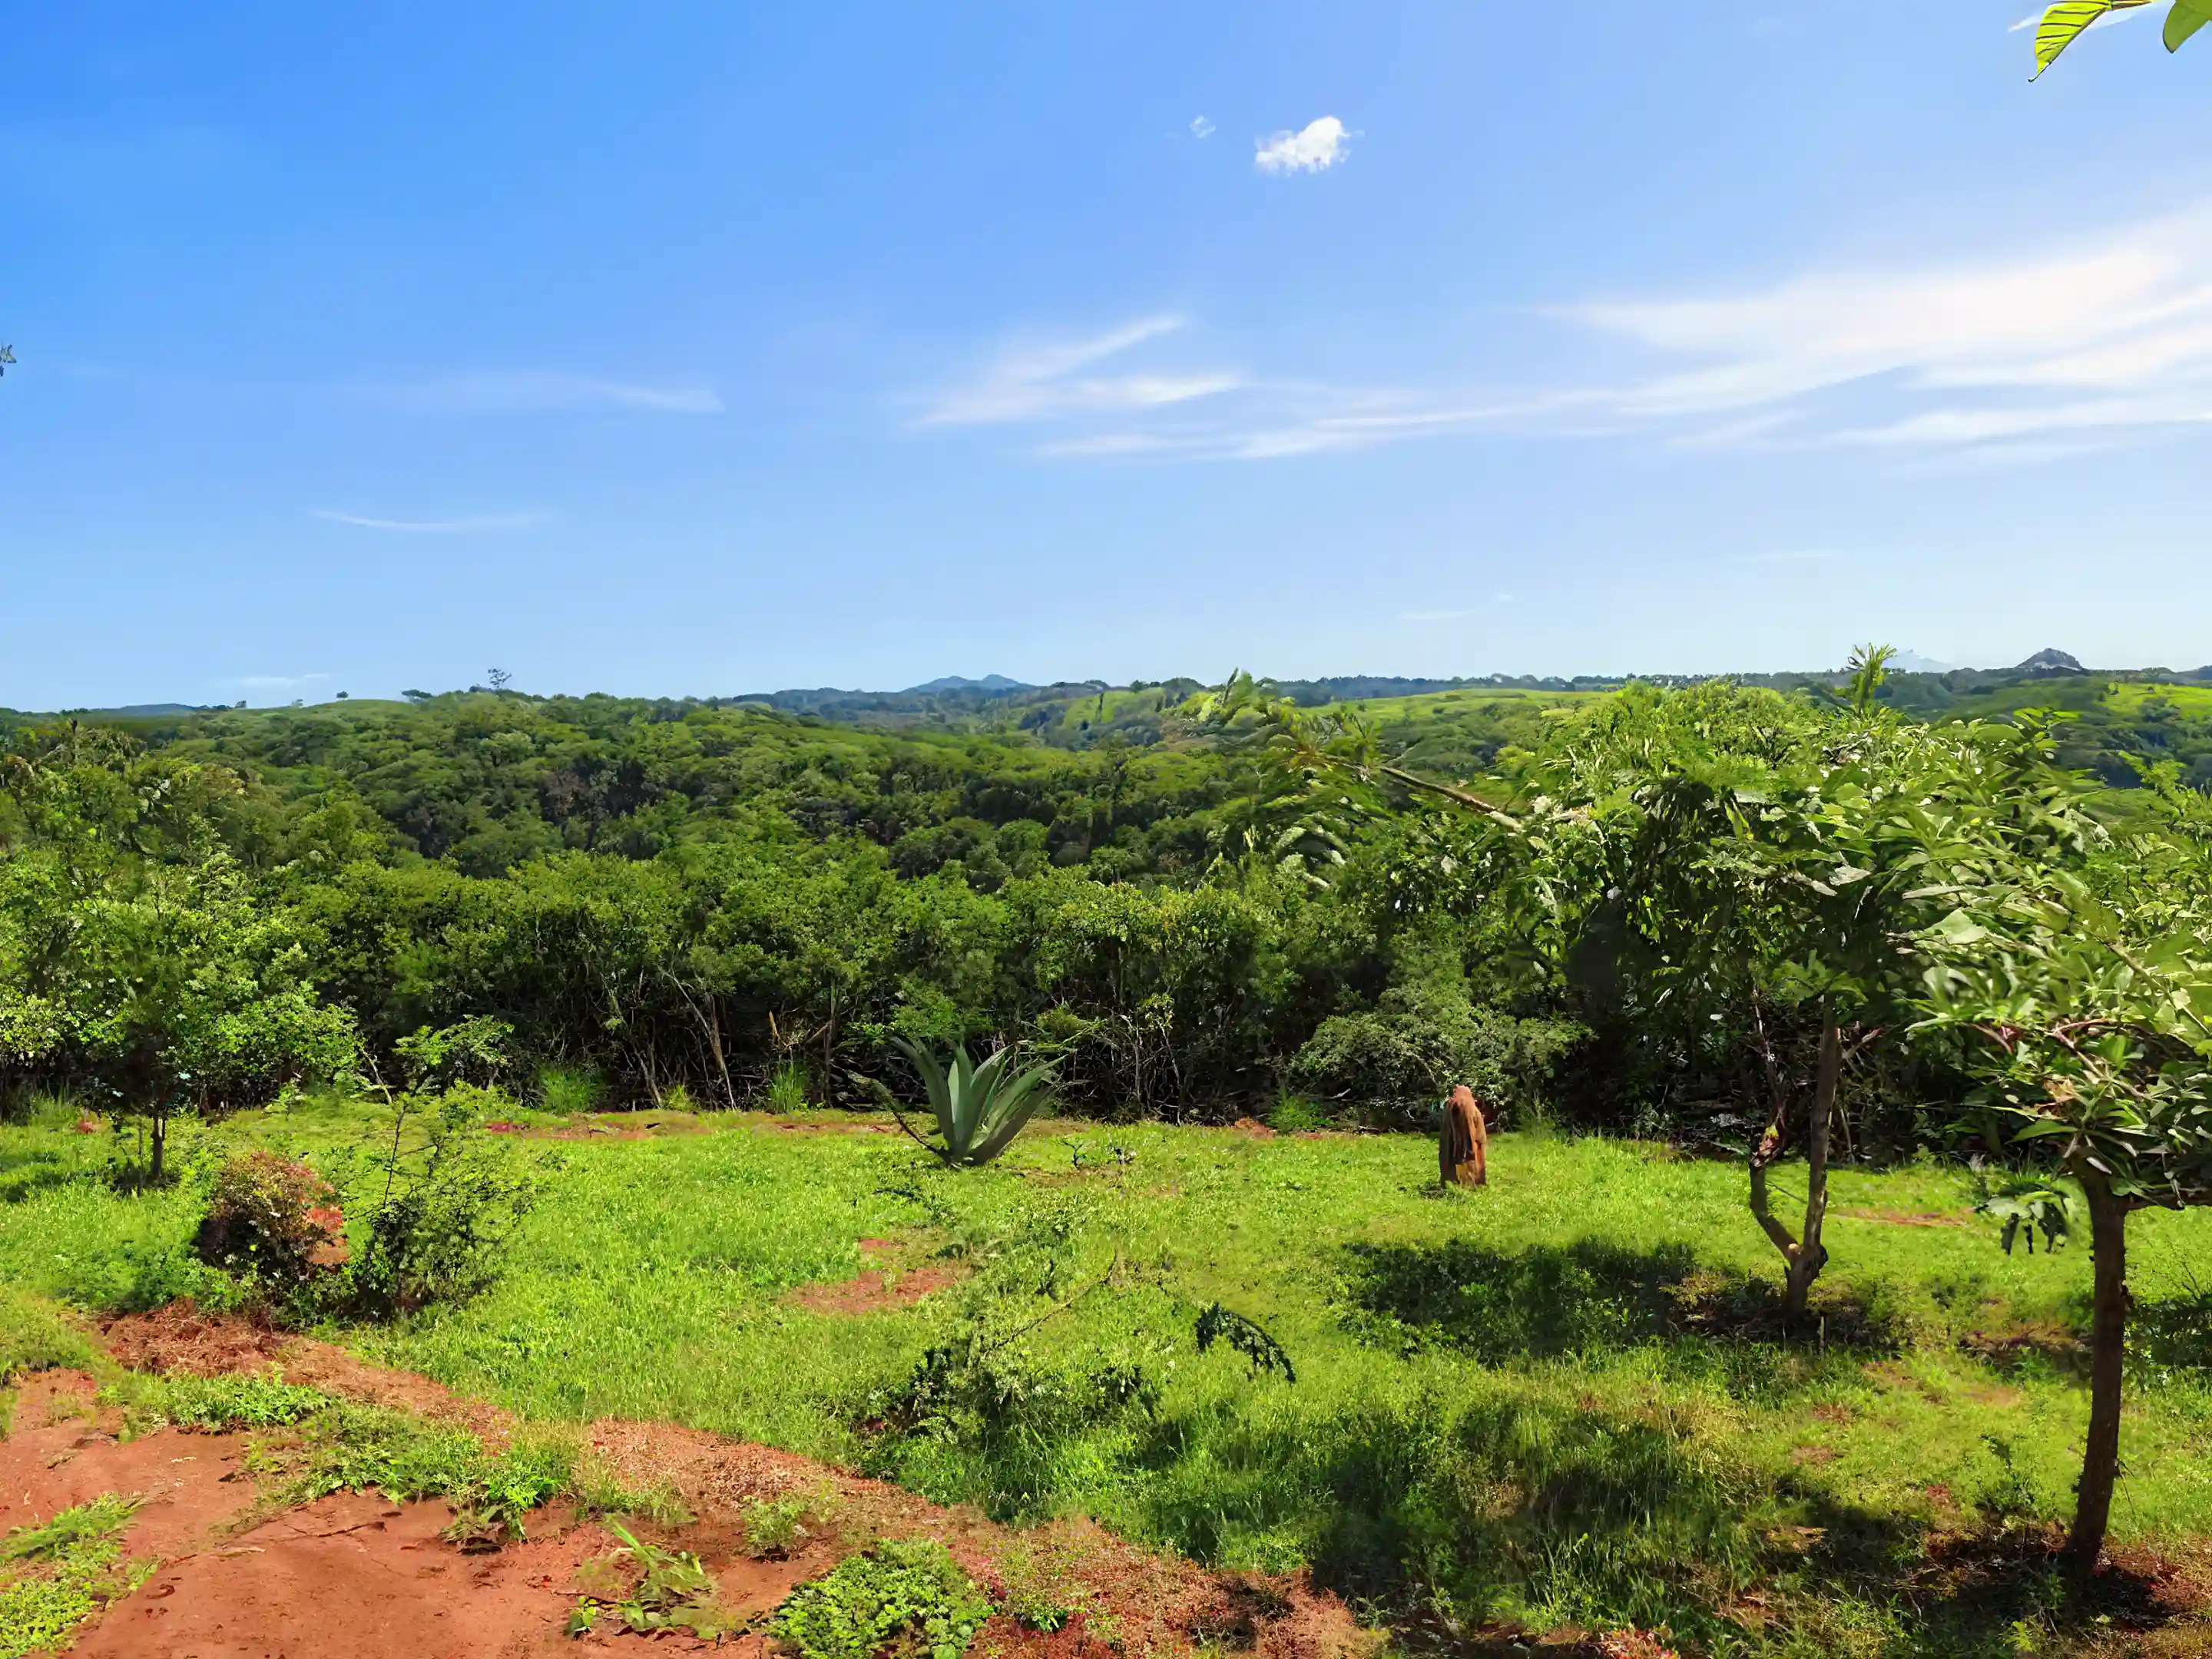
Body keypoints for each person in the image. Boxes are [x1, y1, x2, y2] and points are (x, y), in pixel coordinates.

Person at [1439, 1084, 1488, 1187]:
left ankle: (1450, 1182)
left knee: (1449, 1149)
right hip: (1469, 1136)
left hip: (1452, 1136)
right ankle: (1472, 1182)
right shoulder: (1469, 1105)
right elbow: (1473, 1139)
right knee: (1470, 1149)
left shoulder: (1449, 1106)